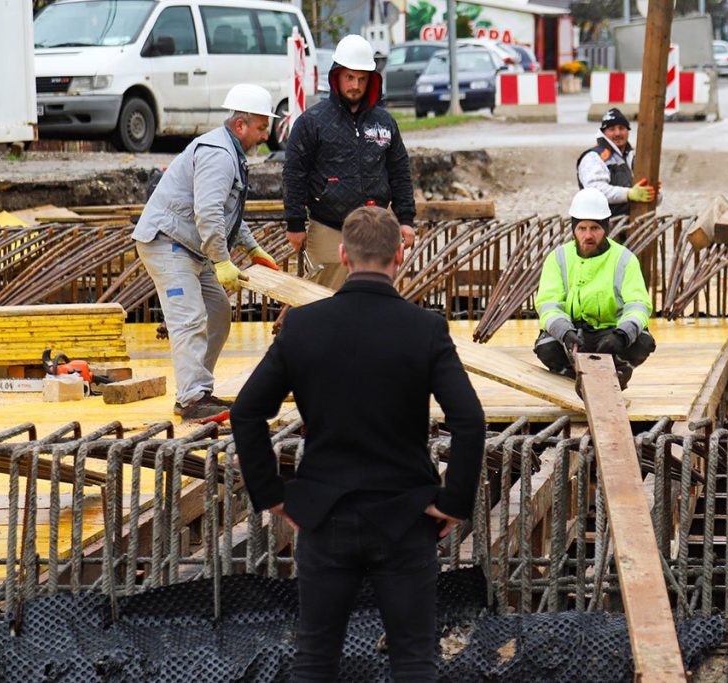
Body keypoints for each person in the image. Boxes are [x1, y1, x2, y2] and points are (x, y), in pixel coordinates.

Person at [230, 206, 485, 682]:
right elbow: (469, 420)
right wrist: (453, 502)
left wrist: (274, 495)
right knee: (413, 659)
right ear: (400, 255)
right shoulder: (424, 328)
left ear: (344, 255)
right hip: (406, 516)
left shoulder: (302, 327)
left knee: (315, 658)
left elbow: (246, 413)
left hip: (326, 515)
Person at [133, 84, 280, 423]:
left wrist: (251, 247)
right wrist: (222, 261)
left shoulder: (231, 152)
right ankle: (192, 400)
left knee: (217, 313)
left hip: (189, 247)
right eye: (260, 128)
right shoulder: (219, 153)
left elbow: (229, 212)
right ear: (241, 125)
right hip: (168, 243)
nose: (264, 136)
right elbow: (208, 212)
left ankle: (199, 389)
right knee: (189, 319)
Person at [282, 34, 416, 290]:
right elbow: (294, 174)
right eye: (349, 78)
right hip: (328, 228)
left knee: (373, 302)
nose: (355, 85)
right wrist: (295, 223)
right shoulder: (312, 122)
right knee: (323, 299)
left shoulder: (385, 123)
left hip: (375, 230)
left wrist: (406, 219)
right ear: (337, 77)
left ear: (371, 80)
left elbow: (399, 172)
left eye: (362, 79)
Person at [533, 188, 656, 390]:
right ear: (573, 229)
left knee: (643, 341)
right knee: (546, 347)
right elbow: (548, 306)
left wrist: (621, 335)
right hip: (574, 335)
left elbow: (638, 305)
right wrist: (565, 333)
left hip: (610, 335)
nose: (588, 235)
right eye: (582, 228)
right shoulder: (558, 258)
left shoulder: (624, 259)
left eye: (595, 228)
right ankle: (574, 378)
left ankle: (619, 370)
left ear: (606, 228)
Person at [576, 107, 660, 216]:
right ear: (603, 132)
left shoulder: (633, 157)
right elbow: (595, 191)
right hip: (601, 225)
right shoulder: (593, 157)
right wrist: (628, 194)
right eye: (611, 129)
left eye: (621, 128)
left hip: (631, 223)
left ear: (628, 131)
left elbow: (652, 199)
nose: (617, 133)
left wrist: (655, 193)